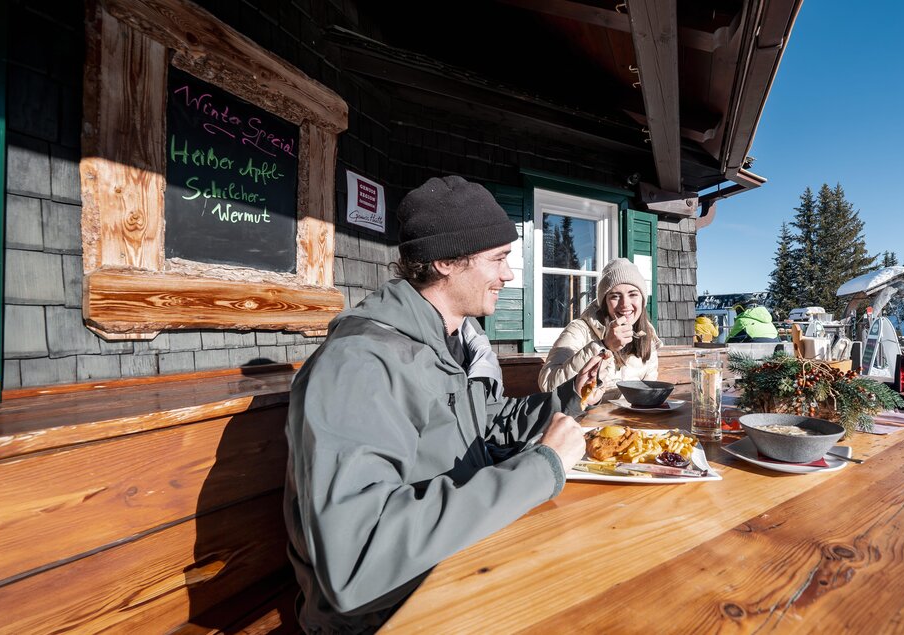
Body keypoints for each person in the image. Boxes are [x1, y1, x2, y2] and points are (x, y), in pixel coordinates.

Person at [283, 176, 603, 633]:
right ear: (446, 261)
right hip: (394, 614)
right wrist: (541, 470)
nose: (508, 275)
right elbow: (356, 559)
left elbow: (488, 428)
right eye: (498, 259)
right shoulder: (360, 365)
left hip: (459, 568)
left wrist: (569, 396)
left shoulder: (447, 343)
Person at [537, 257, 663, 395]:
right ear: (604, 303)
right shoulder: (579, 330)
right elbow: (548, 385)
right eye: (615, 296)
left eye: (633, 294)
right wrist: (604, 346)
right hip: (585, 415)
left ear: (643, 300)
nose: (625, 304)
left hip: (631, 416)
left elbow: (648, 390)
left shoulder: (647, 336)